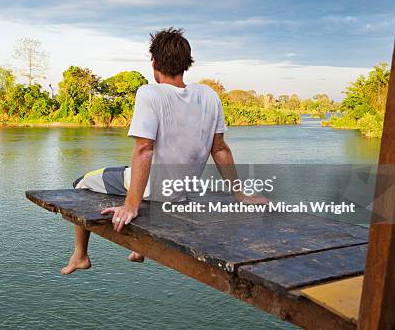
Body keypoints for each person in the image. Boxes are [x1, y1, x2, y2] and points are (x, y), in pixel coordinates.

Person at [61, 27, 269, 275]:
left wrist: (131, 205)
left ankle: (80, 255)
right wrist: (240, 195)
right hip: (181, 192)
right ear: (186, 63)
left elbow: (144, 150)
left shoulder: (150, 93)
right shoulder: (209, 95)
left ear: (155, 62)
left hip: (152, 191)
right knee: (128, 173)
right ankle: (139, 248)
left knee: (81, 182)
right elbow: (220, 149)